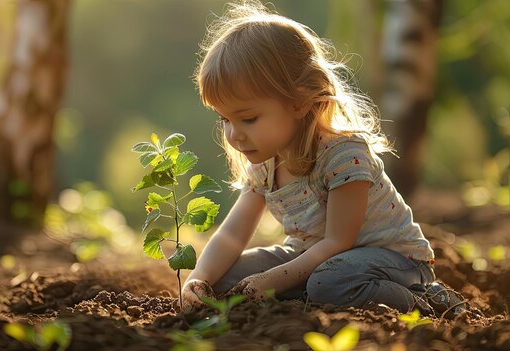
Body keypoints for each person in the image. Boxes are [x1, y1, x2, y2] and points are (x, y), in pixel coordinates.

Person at [181, 0, 467, 318]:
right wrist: (199, 278)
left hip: (391, 259)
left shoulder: (343, 156)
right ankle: (314, 296)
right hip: (315, 258)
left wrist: (269, 280)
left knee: (329, 282)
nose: (234, 135)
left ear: (299, 102)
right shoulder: (265, 163)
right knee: (227, 277)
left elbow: (337, 242)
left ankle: (428, 300)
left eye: (248, 119)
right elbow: (231, 235)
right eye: (225, 120)